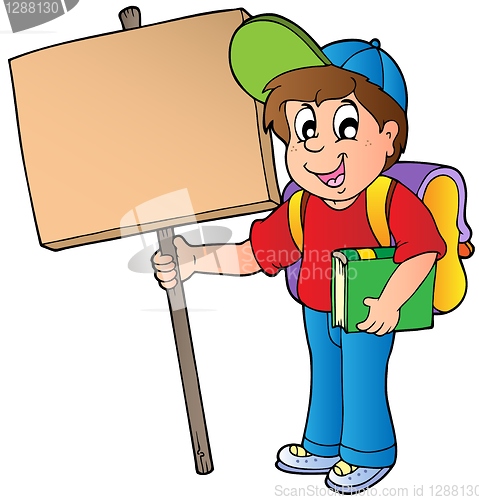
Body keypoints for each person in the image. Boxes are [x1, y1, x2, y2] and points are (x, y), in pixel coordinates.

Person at [152, 15, 446, 494]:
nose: (320, 150)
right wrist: (193, 259)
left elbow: (422, 252)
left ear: (389, 137)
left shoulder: (390, 200)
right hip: (317, 306)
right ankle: (323, 445)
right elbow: (254, 254)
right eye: (304, 129)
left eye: (345, 127)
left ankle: (370, 451)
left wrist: (391, 301)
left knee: (362, 378)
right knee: (326, 374)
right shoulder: (300, 208)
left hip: (371, 309)